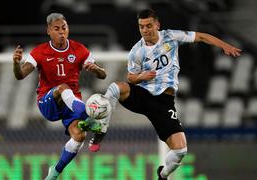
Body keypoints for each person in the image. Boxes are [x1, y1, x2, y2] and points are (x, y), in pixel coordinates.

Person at [88, 9, 242, 180]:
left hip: (163, 103)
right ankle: (101, 130)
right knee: (115, 87)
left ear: (157, 25)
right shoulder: (136, 51)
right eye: (141, 27)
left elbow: (201, 36)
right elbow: (130, 77)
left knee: (180, 150)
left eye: (148, 26)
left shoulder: (171, 36)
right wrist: (141, 76)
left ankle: (163, 174)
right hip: (143, 95)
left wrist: (224, 46)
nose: (145, 30)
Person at [12, 13, 106, 180]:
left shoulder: (79, 49)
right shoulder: (39, 52)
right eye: (57, 29)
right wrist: (16, 63)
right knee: (63, 88)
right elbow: (20, 75)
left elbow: (103, 75)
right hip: (48, 102)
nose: (62, 32)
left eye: (64, 28)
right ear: (49, 30)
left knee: (79, 137)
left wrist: (96, 69)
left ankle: (54, 172)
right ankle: (90, 118)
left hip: (71, 104)